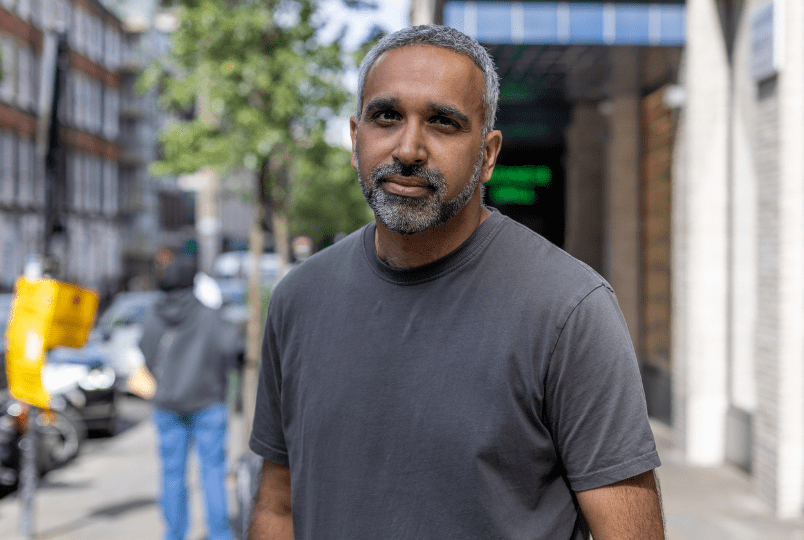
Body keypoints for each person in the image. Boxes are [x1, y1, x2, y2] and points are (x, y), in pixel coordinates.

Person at [248, 25, 664, 540]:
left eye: (443, 122)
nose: (408, 149)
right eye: (386, 116)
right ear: (356, 139)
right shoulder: (298, 300)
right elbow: (277, 509)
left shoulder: (570, 310)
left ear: (487, 155)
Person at [140, 247, 244, 540]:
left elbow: (146, 352)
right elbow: (233, 349)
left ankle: (174, 534)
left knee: (172, 474)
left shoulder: (153, 315)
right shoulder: (208, 316)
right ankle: (219, 534)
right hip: (208, 403)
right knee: (213, 472)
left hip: (167, 405)